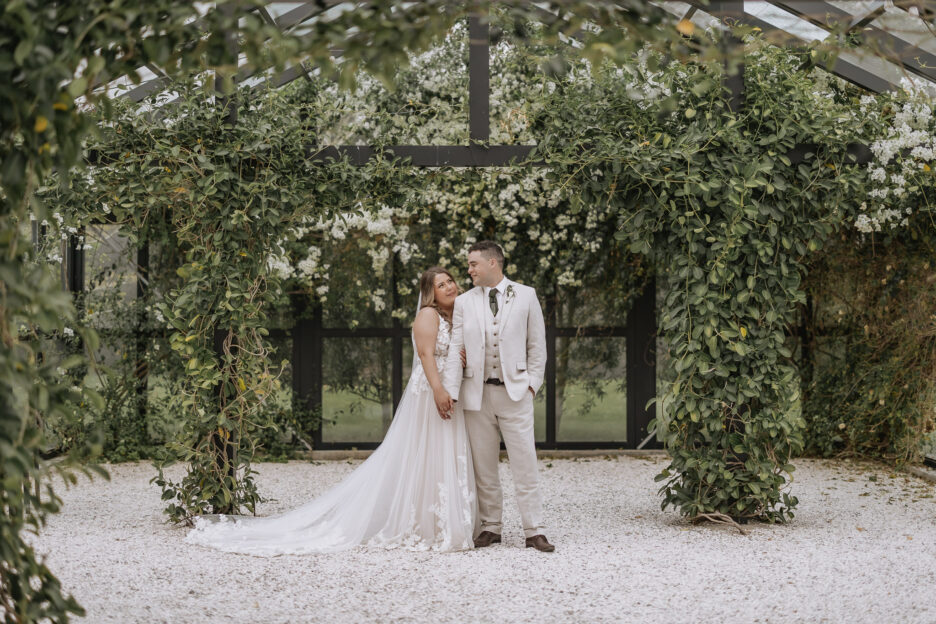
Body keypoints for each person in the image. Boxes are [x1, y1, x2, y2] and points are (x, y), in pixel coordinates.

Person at [185, 267, 478, 555]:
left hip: (450, 392)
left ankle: (439, 521)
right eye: (441, 285)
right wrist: (438, 389)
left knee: (440, 454)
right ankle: (422, 523)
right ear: (430, 293)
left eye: (450, 281)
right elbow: (426, 355)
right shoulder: (427, 316)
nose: (450, 287)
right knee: (423, 453)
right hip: (430, 392)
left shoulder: (456, 317)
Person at [442, 240, 554, 552]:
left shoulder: (526, 295)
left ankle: (534, 530)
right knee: (484, 466)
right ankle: (491, 527)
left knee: (525, 463)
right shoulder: (464, 302)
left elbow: (537, 346)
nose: (469, 270)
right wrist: (452, 392)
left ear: (493, 263)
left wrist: (532, 384)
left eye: (473, 264)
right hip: (476, 395)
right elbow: (455, 348)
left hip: (515, 393)